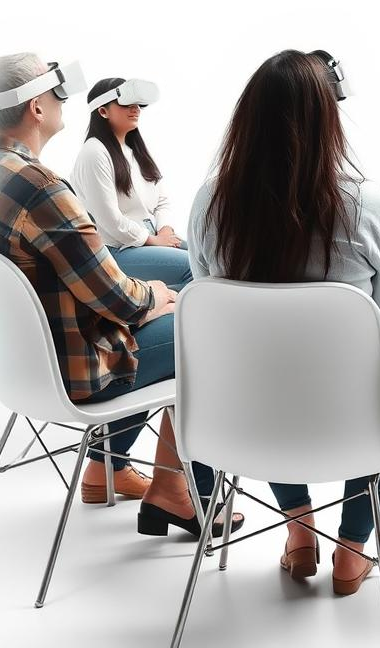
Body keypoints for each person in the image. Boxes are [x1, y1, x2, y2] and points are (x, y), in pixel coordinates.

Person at [188, 49, 380, 595]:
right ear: (329, 116)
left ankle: (298, 532)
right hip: (346, 415)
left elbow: (204, 294)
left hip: (240, 416)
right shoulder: (368, 205)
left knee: (269, 374)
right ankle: (352, 551)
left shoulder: (209, 203)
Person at [0, 52, 239, 537]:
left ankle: (110, 468)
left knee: (186, 303)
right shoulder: (41, 186)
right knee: (210, 326)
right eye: (54, 92)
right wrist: (155, 295)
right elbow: (120, 301)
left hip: (21, 370)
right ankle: (179, 493)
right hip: (78, 369)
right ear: (36, 109)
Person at [71, 77, 192, 291]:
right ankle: (149, 305)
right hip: (117, 249)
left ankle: (150, 300)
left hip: (149, 236)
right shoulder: (94, 152)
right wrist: (153, 240)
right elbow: (109, 220)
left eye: (137, 104)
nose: (135, 108)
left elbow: (162, 200)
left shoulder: (135, 152)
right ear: (103, 111)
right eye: (126, 103)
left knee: (212, 262)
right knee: (194, 269)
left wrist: (164, 231)